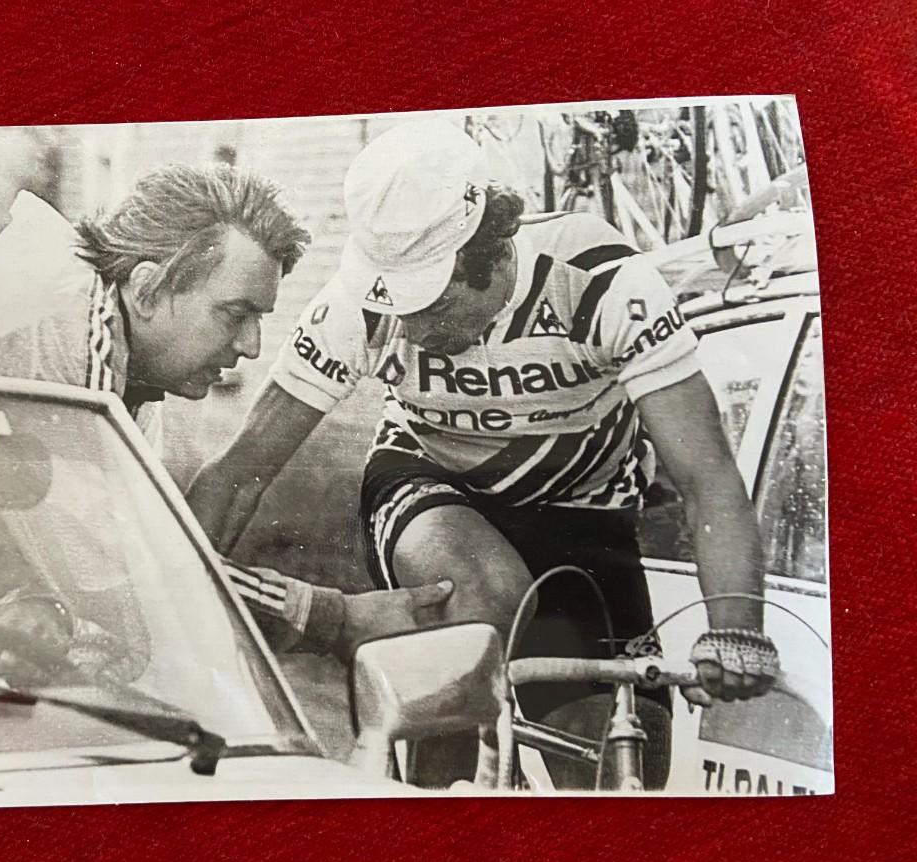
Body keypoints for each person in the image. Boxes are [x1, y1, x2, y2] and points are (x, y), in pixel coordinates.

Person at [186, 119, 780, 788]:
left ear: (491, 254)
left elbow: (705, 477)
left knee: (620, 772)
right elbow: (236, 475)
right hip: (433, 486)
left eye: (428, 304)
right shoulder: (358, 307)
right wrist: (167, 619)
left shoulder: (604, 284)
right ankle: (435, 809)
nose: (406, 328)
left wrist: (736, 629)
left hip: (585, 514)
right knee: (487, 597)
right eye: (396, 304)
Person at [0, 161, 451, 663]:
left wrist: (43, 602)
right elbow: (114, 577)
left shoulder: (123, 365)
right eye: (234, 314)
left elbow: (120, 556)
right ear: (149, 289)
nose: (251, 345)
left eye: (260, 319)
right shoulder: (61, 325)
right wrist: (331, 619)